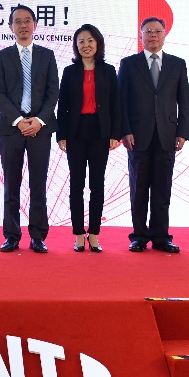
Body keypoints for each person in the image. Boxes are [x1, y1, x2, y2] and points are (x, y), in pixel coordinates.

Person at [118, 17, 189, 253]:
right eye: (148, 31)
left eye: (157, 31)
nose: (153, 35)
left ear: (164, 35)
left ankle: (161, 237)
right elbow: (122, 100)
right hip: (137, 135)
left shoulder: (177, 64)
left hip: (167, 134)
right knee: (138, 188)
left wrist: (182, 132)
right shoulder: (129, 64)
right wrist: (125, 131)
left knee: (162, 189)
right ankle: (139, 236)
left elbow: (184, 101)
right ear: (141, 36)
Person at [0, 5, 60, 254]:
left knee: (38, 184)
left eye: (27, 21)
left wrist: (38, 120)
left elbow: (53, 91)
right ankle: (11, 235)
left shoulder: (47, 55)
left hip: (40, 129)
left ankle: (38, 236)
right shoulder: (2, 56)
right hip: (12, 129)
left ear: (35, 25)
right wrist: (18, 120)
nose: (23, 25)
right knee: (11, 184)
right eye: (18, 21)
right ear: (11, 27)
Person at [56, 23, 121, 253]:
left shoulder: (108, 71)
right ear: (76, 46)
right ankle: (78, 234)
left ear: (98, 43)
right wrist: (61, 135)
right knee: (76, 184)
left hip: (100, 132)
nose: (86, 45)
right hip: (75, 132)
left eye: (90, 41)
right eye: (81, 41)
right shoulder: (70, 72)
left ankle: (94, 233)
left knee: (97, 184)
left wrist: (115, 134)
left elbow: (116, 104)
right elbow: (63, 105)